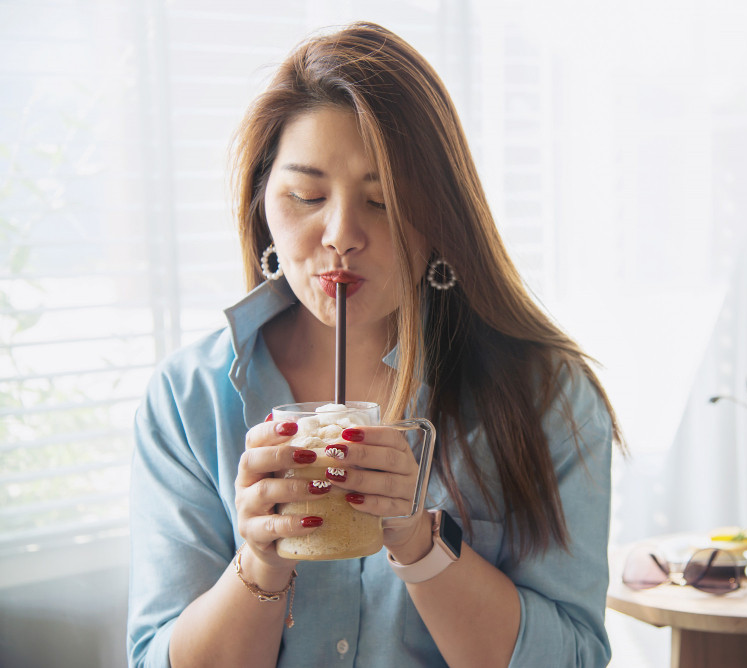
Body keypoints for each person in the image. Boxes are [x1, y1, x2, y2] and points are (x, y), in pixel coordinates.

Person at [127, 21, 622, 668]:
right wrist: (259, 561)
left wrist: (419, 541)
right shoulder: (187, 400)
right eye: (306, 196)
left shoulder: (545, 396)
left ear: (442, 220)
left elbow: (575, 658)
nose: (340, 234)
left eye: (382, 201)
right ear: (262, 206)